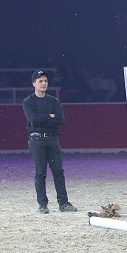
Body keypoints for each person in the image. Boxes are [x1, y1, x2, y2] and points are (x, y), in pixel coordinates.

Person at [22, 70, 78, 214]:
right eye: (40, 81)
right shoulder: (28, 102)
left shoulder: (54, 101)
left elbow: (60, 120)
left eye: (45, 81)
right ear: (34, 83)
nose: (44, 83)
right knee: (40, 172)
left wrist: (44, 118)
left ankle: (63, 203)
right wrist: (50, 116)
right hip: (37, 140)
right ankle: (42, 204)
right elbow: (33, 119)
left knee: (58, 171)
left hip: (52, 139)